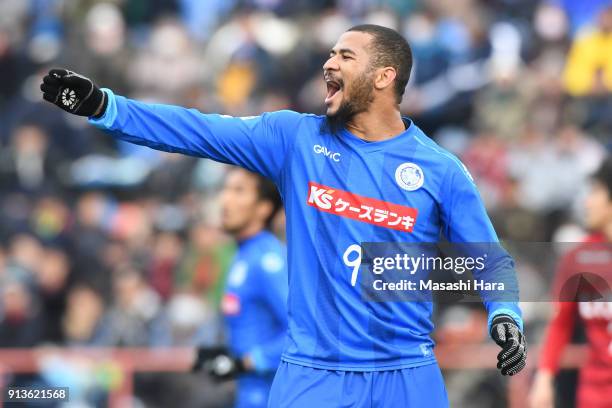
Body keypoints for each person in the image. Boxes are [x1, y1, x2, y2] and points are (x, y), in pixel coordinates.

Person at [40, 24, 526, 407]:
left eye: (345, 56)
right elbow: (195, 129)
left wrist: (504, 313)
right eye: (330, 54)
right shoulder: (295, 139)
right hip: (313, 374)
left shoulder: (440, 170)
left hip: (407, 373)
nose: (328, 63)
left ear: (384, 76)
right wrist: (105, 106)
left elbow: (488, 261)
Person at [192, 167, 288, 408]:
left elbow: (303, 332)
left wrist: (245, 362)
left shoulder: (268, 261)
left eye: (239, 191)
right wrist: (228, 354)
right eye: (224, 189)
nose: (225, 199)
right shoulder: (242, 254)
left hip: (270, 397)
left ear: (264, 207)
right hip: (247, 396)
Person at [529, 157, 612, 408]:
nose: (587, 202)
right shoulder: (578, 258)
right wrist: (543, 379)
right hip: (595, 394)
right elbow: (560, 323)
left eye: (596, 192)